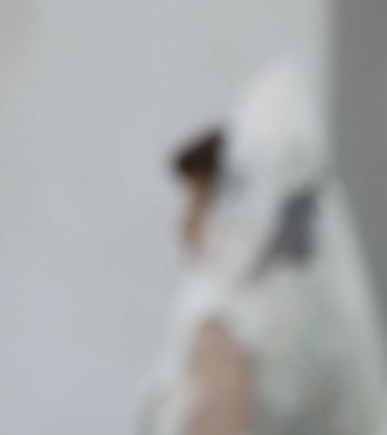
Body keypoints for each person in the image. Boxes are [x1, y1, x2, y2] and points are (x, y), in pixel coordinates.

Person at [139, 63, 387, 435]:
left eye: (198, 203)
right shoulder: (317, 312)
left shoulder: (226, 316)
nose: (185, 225)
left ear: (237, 210)